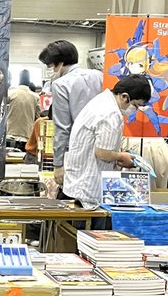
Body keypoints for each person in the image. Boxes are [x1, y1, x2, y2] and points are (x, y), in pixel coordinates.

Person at [61, 74, 153, 211]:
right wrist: (122, 157)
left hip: (77, 183)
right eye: (136, 105)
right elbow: (102, 153)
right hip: (88, 189)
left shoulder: (101, 101)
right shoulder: (111, 113)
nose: (135, 110)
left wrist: (119, 155)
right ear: (124, 97)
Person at [39, 40, 102, 177]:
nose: (52, 71)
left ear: (60, 63)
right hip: (103, 146)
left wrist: (58, 164)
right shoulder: (99, 76)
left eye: (51, 67)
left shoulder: (61, 84)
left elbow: (62, 128)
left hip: (76, 150)